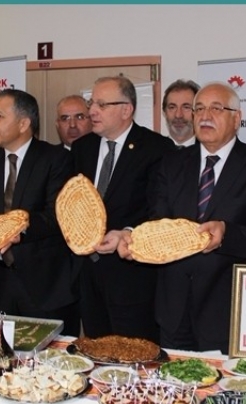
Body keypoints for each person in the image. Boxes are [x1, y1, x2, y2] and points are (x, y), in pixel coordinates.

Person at [118, 82, 246, 352]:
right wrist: (134, 240)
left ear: (237, 118)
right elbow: (157, 223)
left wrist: (225, 233)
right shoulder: (171, 163)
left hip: (226, 313)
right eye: (199, 109)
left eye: (216, 109)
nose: (205, 116)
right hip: (173, 310)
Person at [0, 89, 78, 335]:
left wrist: (19, 231)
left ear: (23, 124)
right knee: (1, 351)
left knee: (46, 353)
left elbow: (58, 216)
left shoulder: (55, 159)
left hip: (44, 284)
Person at [71, 75, 174, 342]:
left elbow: (160, 211)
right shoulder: (82, 148)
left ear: (126, 110)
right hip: (88, 276)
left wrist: (128, 232)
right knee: (96, 350)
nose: (92, 111)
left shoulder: (156, 148)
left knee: (134, 353)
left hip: (132, 279)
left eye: (102, 104)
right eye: (91, 103)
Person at [162, 79, 200, 147]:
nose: (178, 115)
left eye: (186, 107)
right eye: (172, 107)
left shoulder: (209, 151)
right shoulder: (152, 151)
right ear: (165, 112)